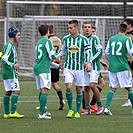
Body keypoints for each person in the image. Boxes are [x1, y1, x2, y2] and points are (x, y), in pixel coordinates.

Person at [56, 20, 92, 118]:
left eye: (71, 28)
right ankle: (71, 109)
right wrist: (54, 56)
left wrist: (89, 62)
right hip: (68, 67)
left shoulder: (84, 40)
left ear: (76, 28)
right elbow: (62, 51)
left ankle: (77, 111)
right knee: (68, 87)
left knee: (79, 89)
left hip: (79, 68)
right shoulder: (66, 39)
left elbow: (89, 53)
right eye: (68, 28)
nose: (69, 30)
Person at [104, 23, 133, 115]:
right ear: (126, 31)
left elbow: (107, 52)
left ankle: (107, 108)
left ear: (118, 29)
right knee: (130, 88)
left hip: (112, 67)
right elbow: (131, 52)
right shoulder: (127, 39)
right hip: (123, 67)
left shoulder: (111, 39)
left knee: (112, 88)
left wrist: (111, 60)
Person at [34, 24, 60, 119]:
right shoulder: (48, 41)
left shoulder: (39, 42)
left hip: (37, 67)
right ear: (48, 32)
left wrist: (57, 66)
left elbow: (44, 57)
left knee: (42, 89)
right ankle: (41, 114)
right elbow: (52, 56)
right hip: (44, 68)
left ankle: (43, 110)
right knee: (45, 89)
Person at [81, 21, 104, 115]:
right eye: (85, 27)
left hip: (94, 67)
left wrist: (90, 61)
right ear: (82, 29)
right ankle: (87, 108)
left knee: (92, 85)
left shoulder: (95, 39)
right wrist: (83, 63)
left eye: (88, 27)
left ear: (91, 29)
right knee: (86, 88)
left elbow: (99, 52)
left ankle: (100, 106)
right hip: (84, 67)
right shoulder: (81, 39)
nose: (87, 29)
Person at [1, 26, 24, 118]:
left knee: (8, 91)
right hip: (10, 73)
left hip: (8, 72)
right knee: (17, 91)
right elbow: (4, 59)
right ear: (13, 35)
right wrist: (13, 65)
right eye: (18, 35)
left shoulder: (11, 46)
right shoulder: (9, 46)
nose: (19, 37)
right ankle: (13, 112)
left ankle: (7, 113)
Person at [48, 24, 65, 110]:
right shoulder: (58, 40)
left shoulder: (47, 40)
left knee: (44, 85)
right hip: (57, 63)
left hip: (48, 63)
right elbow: (62, 51)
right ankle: (61, 99)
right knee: (55, 84)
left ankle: (42, 104)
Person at [121, 18, 133, 107]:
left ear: (129, 25)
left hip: (132, 60)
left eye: (125, 24)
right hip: (125, 60)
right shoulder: (123, 34)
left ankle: (129, 99)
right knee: (126, 80)